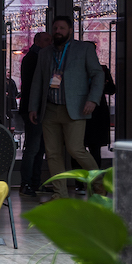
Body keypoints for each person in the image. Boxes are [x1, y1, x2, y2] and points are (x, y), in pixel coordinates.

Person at [28, 16, 104, 199]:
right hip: (49, 110)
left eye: (62, 28)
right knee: (52, 154)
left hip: (75, 108)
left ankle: (99, 182)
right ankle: (59, 195)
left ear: (70, 30)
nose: (58, 31)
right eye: (55, 28)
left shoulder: (83, 49)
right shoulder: (45, 53)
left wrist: (93, 100)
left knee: (75, 149)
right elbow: (37, 81)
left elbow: (98, 74)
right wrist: (33, 106)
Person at [18, 31, 52, 196]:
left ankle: (35, 182)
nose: (50, 43)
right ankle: (27, 183)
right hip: (33, 109)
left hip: (39, 109)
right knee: (33, 147)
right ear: (37, 41)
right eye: (46, 40)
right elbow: (34, 86)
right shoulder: (33, 58)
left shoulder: (38, 58)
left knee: (39, 148)